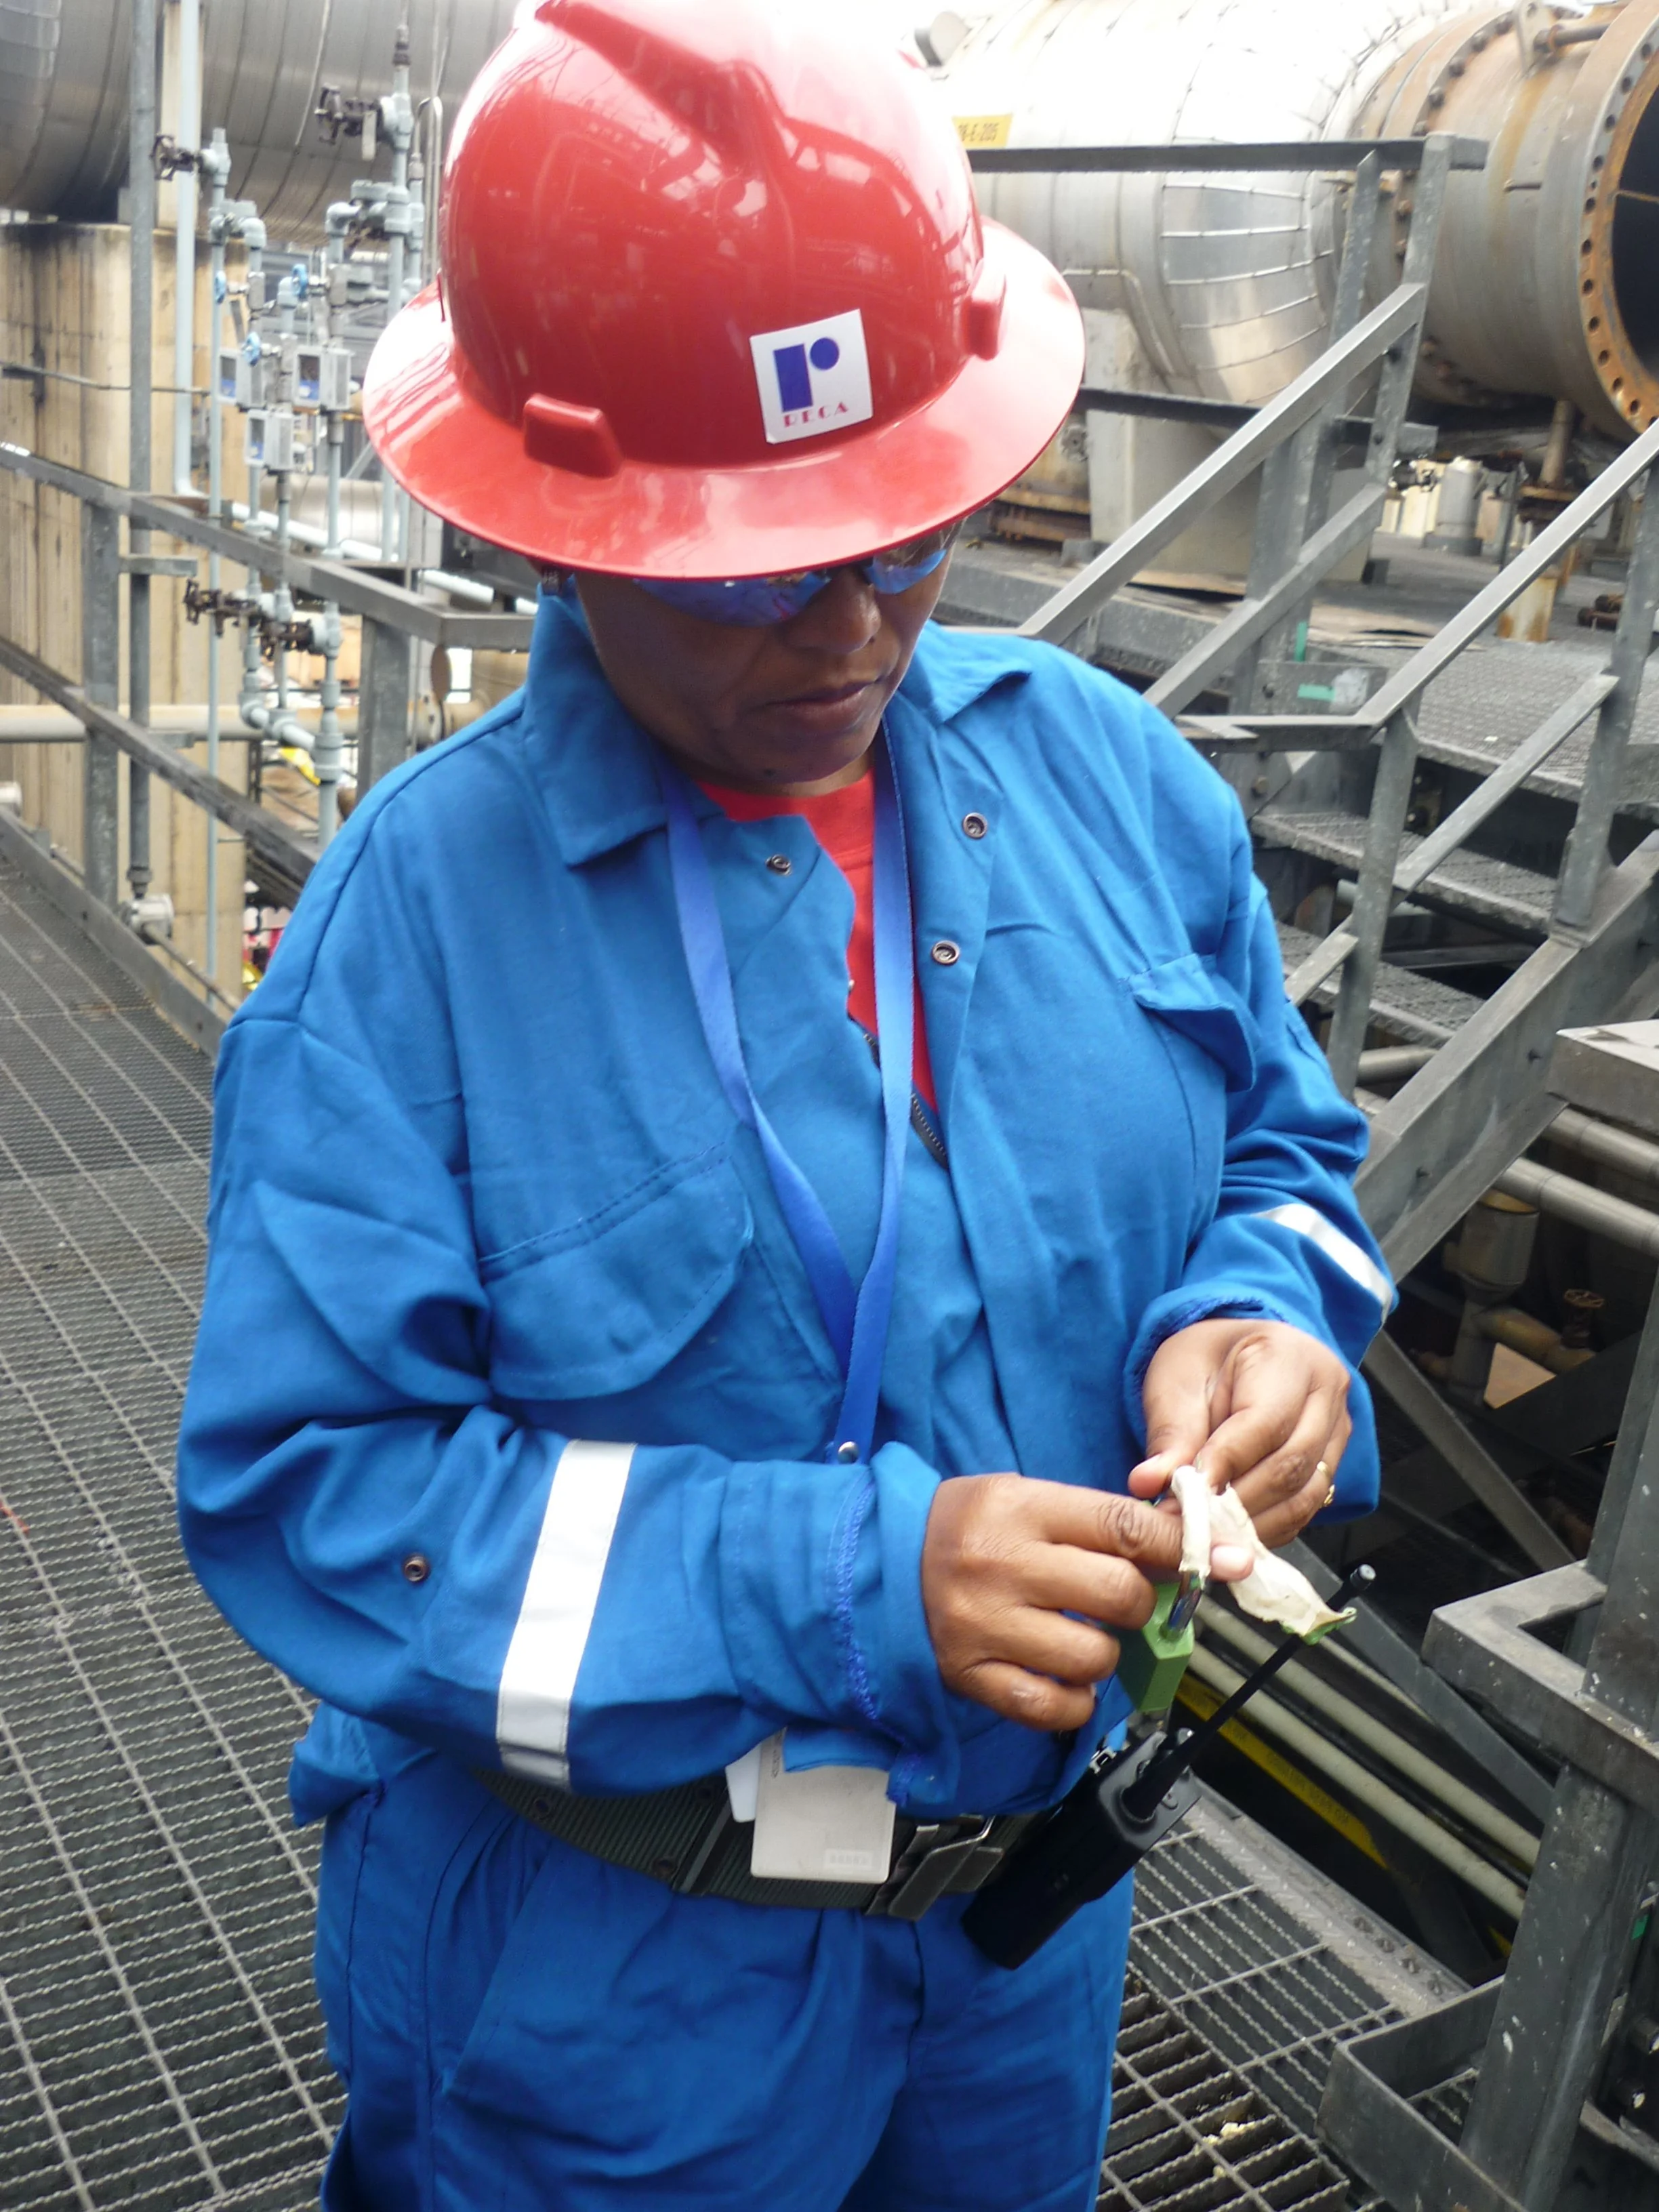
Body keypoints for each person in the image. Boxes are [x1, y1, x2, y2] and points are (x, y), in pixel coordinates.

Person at [175, 3, 1392, 2207]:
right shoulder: (418, 935)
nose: (850, 625)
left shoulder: (1113, 787)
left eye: (911, 528)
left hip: (1019, 1949)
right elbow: (312, 1491)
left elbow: (1290, 1158)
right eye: (753, 566)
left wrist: (1274, 1329)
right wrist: (837, 1587)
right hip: (611, 1986)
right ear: (562, 531)